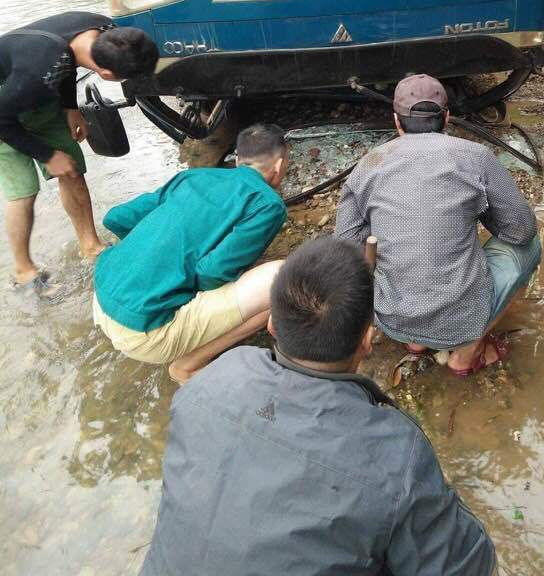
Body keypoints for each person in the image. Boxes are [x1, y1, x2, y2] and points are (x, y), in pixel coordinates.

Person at [140, 237, 497, 576]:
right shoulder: (395, 453)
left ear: (270, 324)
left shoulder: (211, 380)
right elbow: (470, 566)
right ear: (367, 341)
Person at [335, 74, 540, 376]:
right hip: (461, 321)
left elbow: (346, 249)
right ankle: (466, 354)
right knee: (531, 245)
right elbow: (521, 230)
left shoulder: (368, 165)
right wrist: (477, 213)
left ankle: (415, 344)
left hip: (391, 319)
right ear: (446, 117)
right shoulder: (477, 156)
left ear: (396, 121)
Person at [93, 123, 288, 383]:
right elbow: (211, 271)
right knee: (284, 280)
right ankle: (187, 365)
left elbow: (116, 218)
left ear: (239, 160)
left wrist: (153, 252)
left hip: (102, 299)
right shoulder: (267, 204)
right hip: (146, 334)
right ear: (279, 165)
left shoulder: (193, 177)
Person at [0, 11, 158, 298]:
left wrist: (71, 108)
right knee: (24, 190)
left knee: (72, 169)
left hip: (38, 95)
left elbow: (67, 63)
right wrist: (47, 155)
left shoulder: (105, 30)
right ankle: (24, 271)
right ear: (107, 75)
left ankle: (91, 246)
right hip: (5, 107)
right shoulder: (39, 71)